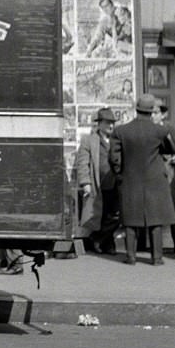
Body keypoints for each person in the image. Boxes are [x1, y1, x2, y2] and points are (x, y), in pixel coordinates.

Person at [109, 93, 175, 266]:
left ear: (137, 109)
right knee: (156, 220)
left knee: (130, 220)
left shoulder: (121, 131)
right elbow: (172, 148)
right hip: (156, 180)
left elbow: (114, 158)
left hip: (130, 179)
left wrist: (120, 173)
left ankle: (131, 257)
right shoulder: (160, 130)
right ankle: (157, 258)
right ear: (151, 111)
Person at [74, 107, 119, 253]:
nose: (110, 126)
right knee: (100, 214)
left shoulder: (117, 139)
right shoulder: (89, 140)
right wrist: (85, 182)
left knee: (115, 215)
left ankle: (96, 238)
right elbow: (82, 162)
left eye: (112, 122)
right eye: (107, 123)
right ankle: (108, 243)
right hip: (97, 184)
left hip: (116, 184)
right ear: (99, 124)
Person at [152, 98, 175, 254]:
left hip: (169, 172)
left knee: (174, 209)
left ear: (163, 115)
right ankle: (152, 246)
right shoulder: (147, 129)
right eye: (151, 113)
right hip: (152, 173)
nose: (153, 116)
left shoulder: (169, 129)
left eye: (156, 113)